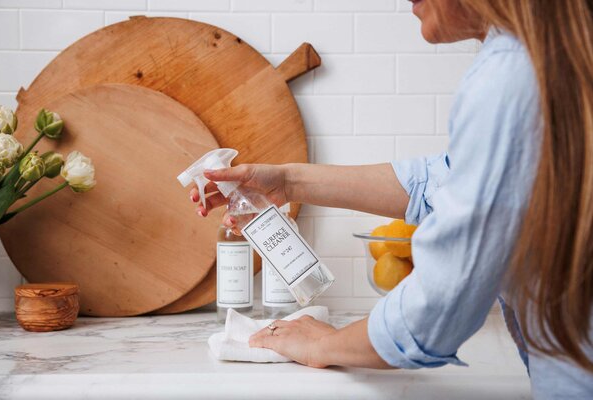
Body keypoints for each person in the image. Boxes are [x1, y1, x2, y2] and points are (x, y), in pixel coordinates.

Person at [191, 0, 593, 398]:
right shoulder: (551, 55)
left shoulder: (509, 77)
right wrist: (288, 181)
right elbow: (443, 180)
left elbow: (437, 309)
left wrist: (320, 345)